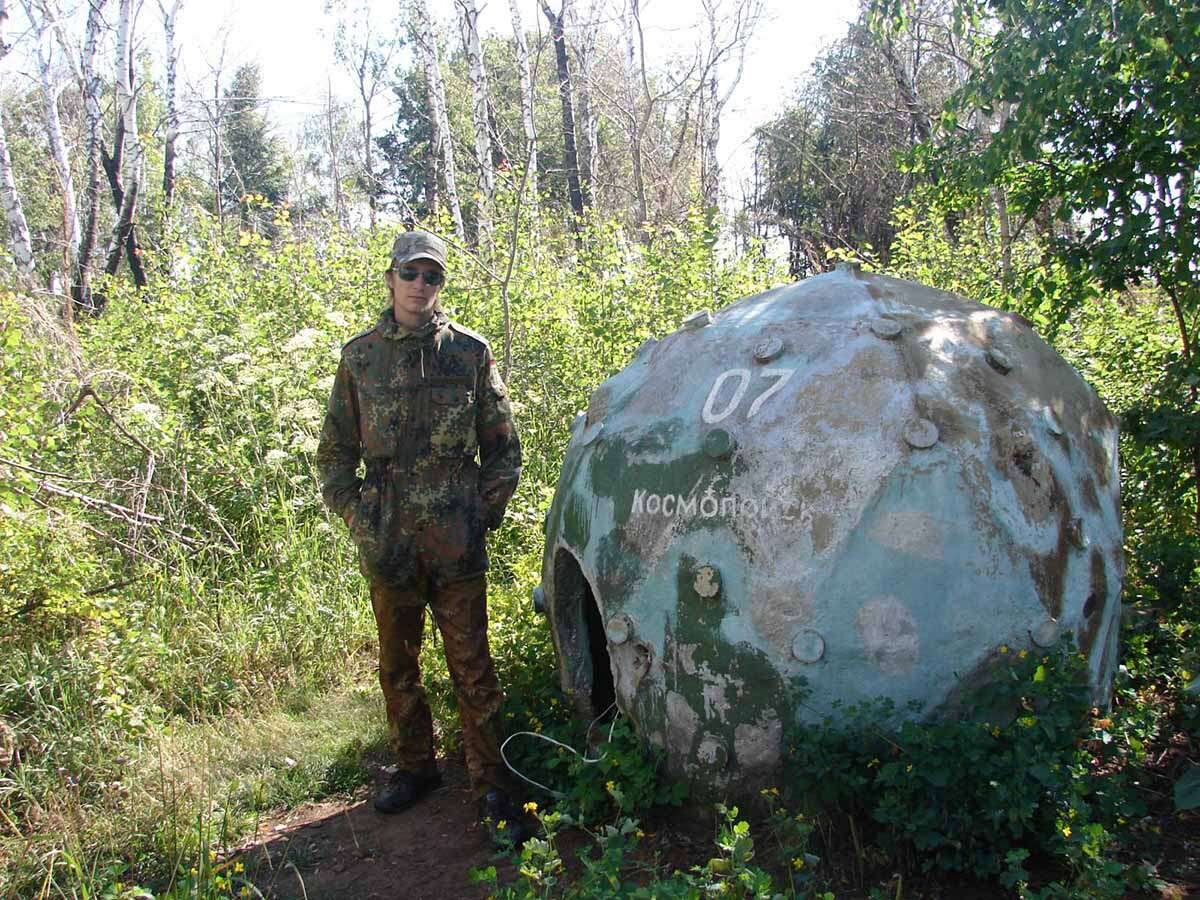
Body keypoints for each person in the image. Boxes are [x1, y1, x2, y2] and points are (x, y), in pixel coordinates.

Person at [316, 230, 529, 845]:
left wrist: (478, 516)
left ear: (440, 287)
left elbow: (504, 450)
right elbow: (334, 456)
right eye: (410, 272)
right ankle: (416, 768)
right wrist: (362, 521)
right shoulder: (360, 358)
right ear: (390, 278)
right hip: (390, 543)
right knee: (397, 665)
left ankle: (491, 781)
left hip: (455, 542)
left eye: (431, 276)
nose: (419, 285)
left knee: (473, 666)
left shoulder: (468, 353)